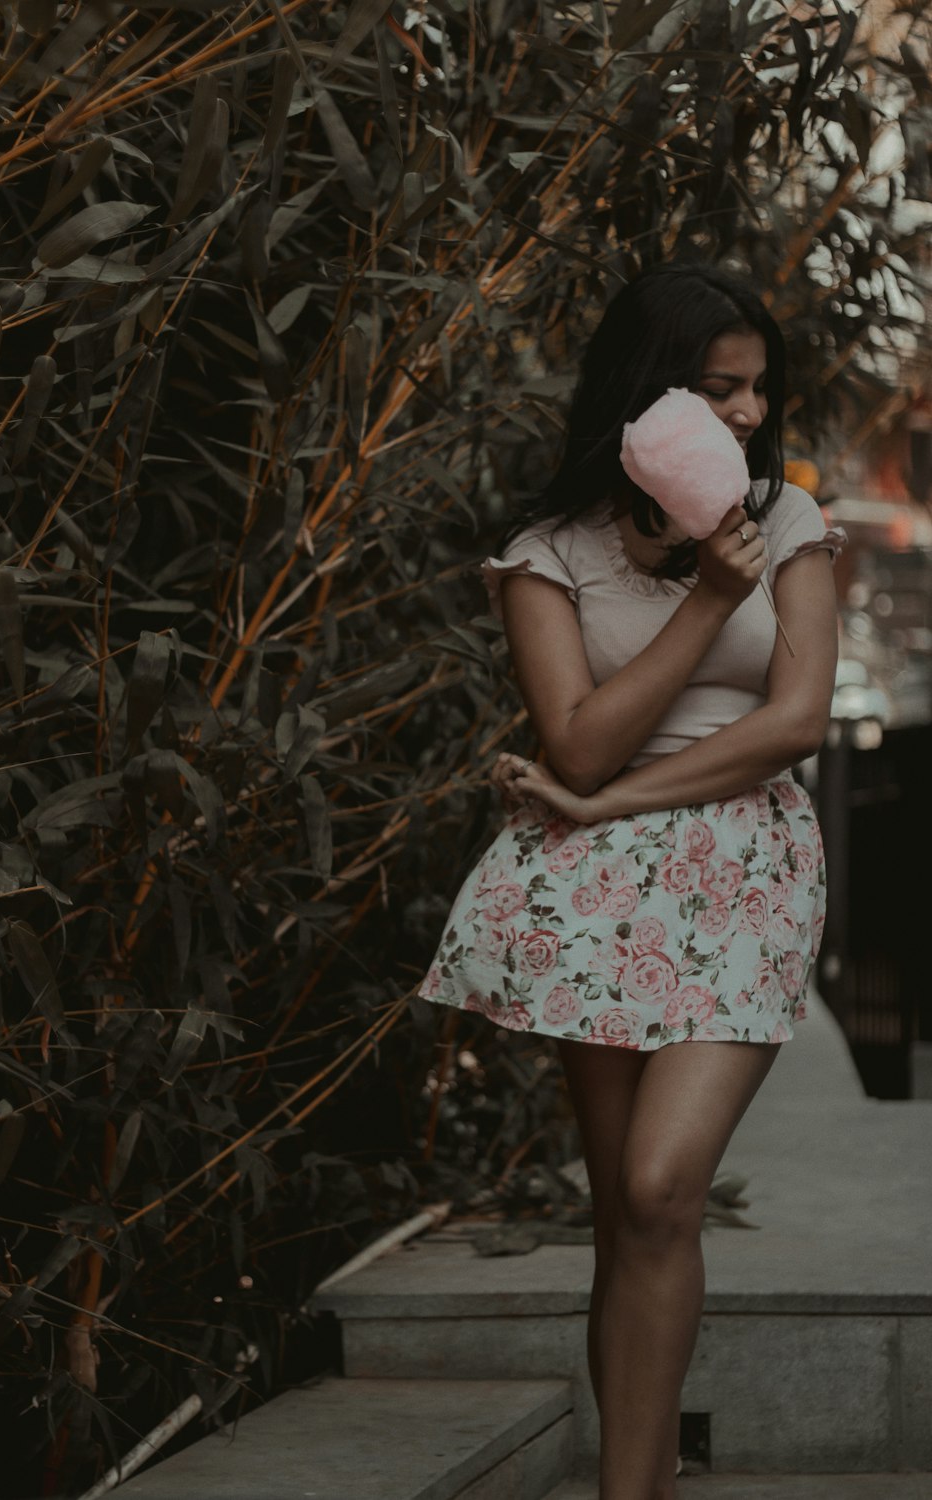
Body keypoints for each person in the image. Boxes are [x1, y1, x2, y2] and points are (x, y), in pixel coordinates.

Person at [416, 261, 844, 1500]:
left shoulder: (793, 524)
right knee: (626, 1217)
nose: (751, 416)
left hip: (744, 864)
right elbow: (579, 741)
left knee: (663, 1182)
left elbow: (795, 722)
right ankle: (634, 1488)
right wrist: (709, 600)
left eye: (760, 389)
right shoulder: (551, 554)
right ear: (646, 397)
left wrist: (605, 802)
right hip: (591, 888)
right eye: (722, 389)